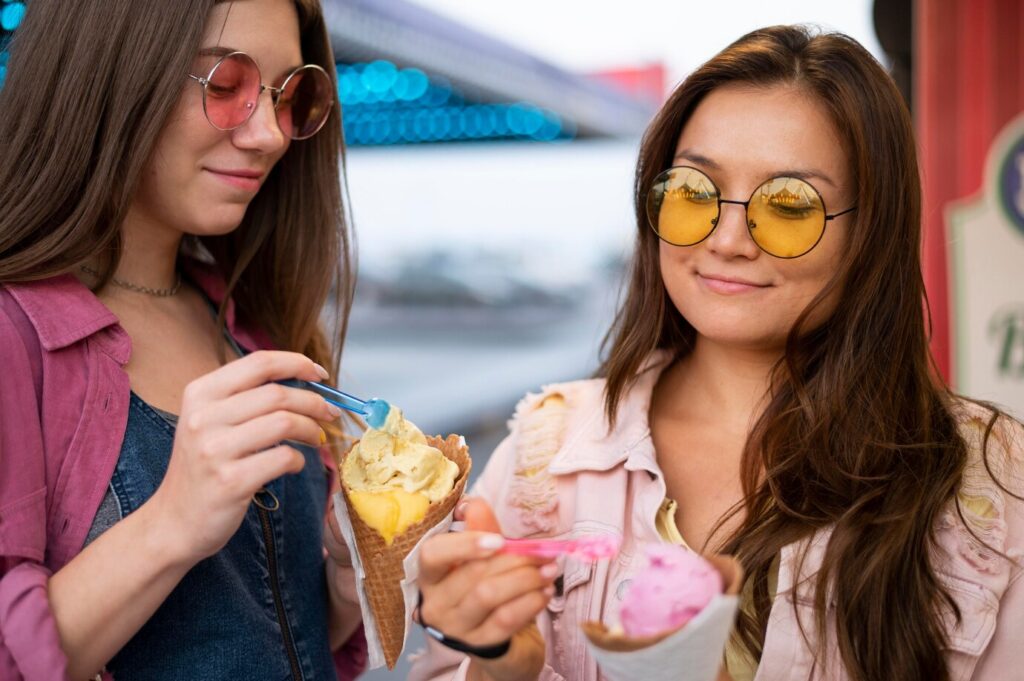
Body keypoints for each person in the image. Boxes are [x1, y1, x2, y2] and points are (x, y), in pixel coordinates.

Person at [408, 25, 1024, 681]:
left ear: (870, 230)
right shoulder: (545, 457)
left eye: (789, 204)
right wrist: (505, 666)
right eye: (695, 191)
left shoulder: (988, 480)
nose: (728, 238)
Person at [0, 0, 368, 678]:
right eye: (226, 85)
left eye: (290, 95)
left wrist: (351, 573)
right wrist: (171, 521)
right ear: (104, 77)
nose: (271, 135)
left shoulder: (250, 321)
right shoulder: (14, 333)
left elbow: (274, 623)